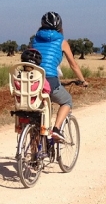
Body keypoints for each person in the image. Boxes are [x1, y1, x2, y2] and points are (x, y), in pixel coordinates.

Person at [30, 12, 88, 142]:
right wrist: (83, 81)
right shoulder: (62, 41)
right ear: (60, 27)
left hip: (33, 81)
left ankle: (34, 155)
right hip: (50, 81)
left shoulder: (35, 39)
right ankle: (56, 129)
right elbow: (73, 65)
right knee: (67, 101)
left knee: (36, 117)